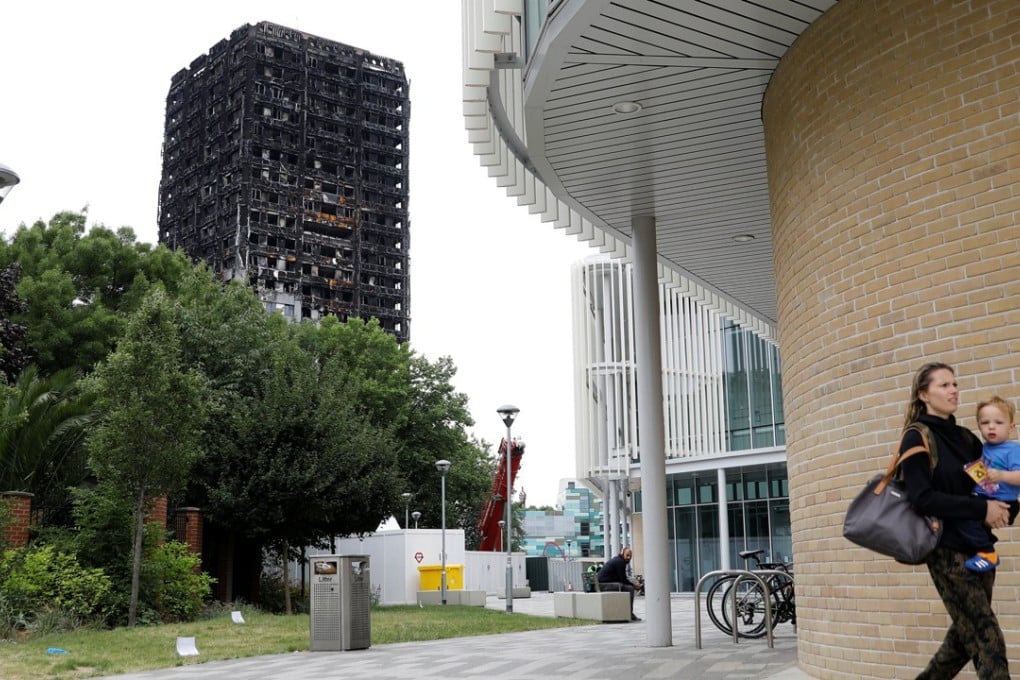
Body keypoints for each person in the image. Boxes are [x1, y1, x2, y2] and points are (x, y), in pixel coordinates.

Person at [899, 362, 1011, 679]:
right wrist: (980, 510)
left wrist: (1004, 506)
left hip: (980, 548)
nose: (954, 390)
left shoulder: (965, 438)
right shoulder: (917, 437)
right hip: (947, 551)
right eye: (944, 385)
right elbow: (922, 498)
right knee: (987, 638)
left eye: (955, 384)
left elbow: (984, 484)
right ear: (923, 394)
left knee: (964, 639)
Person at [957, 396, 1020, 572]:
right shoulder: (982, 448)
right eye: (985, 423)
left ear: (1011, 427)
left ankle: (987, 552)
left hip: (1005, 501)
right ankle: (982, 550)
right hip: (983, 495)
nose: (991, 427)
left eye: (999, 422)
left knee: (966, 518)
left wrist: (1002, 475)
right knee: (963, 516)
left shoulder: (1013, 449)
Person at [597, 547, 639, 621]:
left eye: (630, 556)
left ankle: (627, 612)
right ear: (622, 554)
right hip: (603, 585)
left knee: (626, 587)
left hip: (603, 583)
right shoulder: (620, 562)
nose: (629, 558)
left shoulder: (618, 560)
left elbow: (622, 578)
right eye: (627, 555)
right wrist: (634, 586)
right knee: (630, 588)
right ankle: (630, 613)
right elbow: (623, 579)